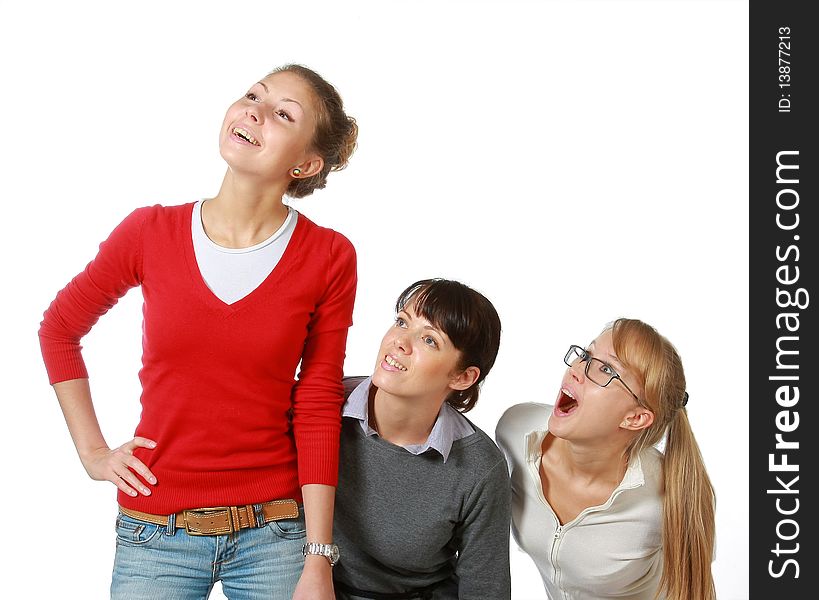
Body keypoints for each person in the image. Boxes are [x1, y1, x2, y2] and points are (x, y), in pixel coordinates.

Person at [38, 64, 358, 600]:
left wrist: (319, 555)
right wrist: (93, 453)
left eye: (282, 113)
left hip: (275, 530)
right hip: (154, 532)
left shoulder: (329, 256)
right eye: (252, 95)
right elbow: (60, 328)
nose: (254, 110)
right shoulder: (149, 232)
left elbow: (319, 399)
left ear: (305, 163)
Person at [496, 318, 716, 600]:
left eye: (606, 369)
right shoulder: (516, 432)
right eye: (586, 355)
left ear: (635, 418)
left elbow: (696, 591)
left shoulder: (665, 499)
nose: (577, 370)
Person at [333, 278, 512, 600]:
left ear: (463, 377)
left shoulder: (479, 467)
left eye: (429, 340)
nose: (400, 342)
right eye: (402, 321)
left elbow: (485, 588)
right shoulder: (323, 406)